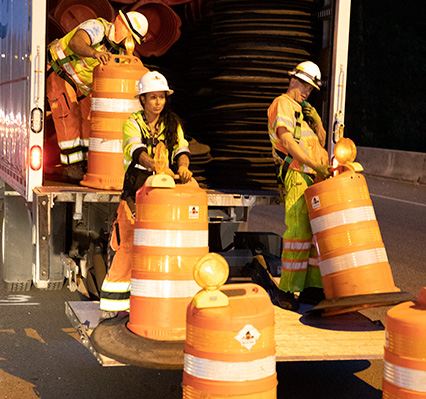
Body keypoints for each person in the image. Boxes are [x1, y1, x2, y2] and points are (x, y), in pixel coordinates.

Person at [99, 71, 193, 318]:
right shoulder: (132, 123)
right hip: (136, 190)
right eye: (152, 97)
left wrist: (182, 166)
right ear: (142, 100)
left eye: (161, 97)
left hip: (163, 192)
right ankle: (115, 309)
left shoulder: (173, 124)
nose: (158, 102)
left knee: (162, 246)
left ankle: (153, 302)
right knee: (127, 245)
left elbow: (182, 148)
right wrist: (155, 165)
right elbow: (135, 149)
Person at [46, 11, 149, 183]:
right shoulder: (97, 28)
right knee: (67, 116)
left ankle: (89, 162)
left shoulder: (121, 52)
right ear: (124, 27)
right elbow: (76, 42)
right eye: (131, 37)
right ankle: (72, 166)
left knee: (92, 120)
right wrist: (95, 54)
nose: (131, 43)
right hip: (59, 72)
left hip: (83, 88)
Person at [267, 61, 331, 311]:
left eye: (311, 87)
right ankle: (286, 290)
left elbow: (321, 142)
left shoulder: (303, 111)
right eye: (304, 84)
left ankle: (312, 288)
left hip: (312, 178)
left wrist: (319, 125)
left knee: (315, 234)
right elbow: (288, 143)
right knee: (298, 234)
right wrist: (315, 166)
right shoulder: (282, 104)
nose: (307, 90)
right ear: (292, 79)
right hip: (297, 174)